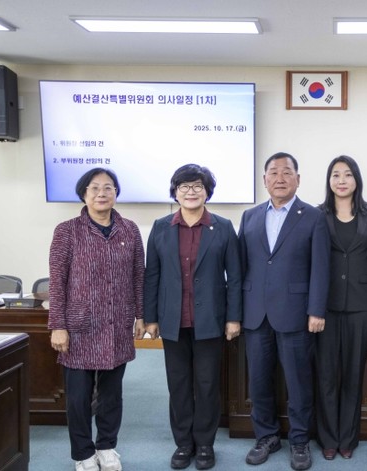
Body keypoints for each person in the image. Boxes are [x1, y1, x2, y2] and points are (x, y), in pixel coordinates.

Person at [143, 164, 242, 470]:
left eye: (197, 186)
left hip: (210, 320)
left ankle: (205, 444)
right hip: (172, 320)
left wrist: (233, 318)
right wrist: (150, 318)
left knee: (208, 384)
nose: (190, 191)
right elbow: (152, 275)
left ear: (207, 192)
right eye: (184, 186)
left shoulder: (223, 227)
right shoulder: (161, 227)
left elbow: (235, 276)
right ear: (175, 192)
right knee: (179, 384)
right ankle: (184, 444)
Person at [238, 152, 330, 471]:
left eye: (287, 172)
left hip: (296, 313)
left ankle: (299, 440)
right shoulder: (249, 216)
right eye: (273, 172)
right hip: (255, 314)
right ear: (264, 179)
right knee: (258, 380)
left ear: (298, 179)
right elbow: (241, 266)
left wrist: (316, 310)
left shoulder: (314, 216)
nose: (280, 178)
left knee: (298, 381)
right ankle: (266, 436)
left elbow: (321, 268)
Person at [48, 168, 145, 471]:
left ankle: (106, 446)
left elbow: (138, 276)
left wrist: (141, 315)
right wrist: (58, 325)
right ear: (84, 194)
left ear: (116, 193)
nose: (102, 193)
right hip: (79, 327)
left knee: (111, 395)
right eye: (94, 188)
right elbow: (57, 281)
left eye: (108, 187)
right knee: (78, 398)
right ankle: (83, 453)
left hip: (117, 324)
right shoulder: (67, 230)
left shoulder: (129, 230)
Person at [315, 156, 367, 461]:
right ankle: (328, 438)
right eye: (336, 175)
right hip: (325, 307)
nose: (342, 180)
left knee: (354, 374)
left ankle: (348, 438)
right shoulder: (317, 215)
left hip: (360, 306)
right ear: (329, 181)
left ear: (357, 180)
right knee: (326, 375)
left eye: (348, 174)